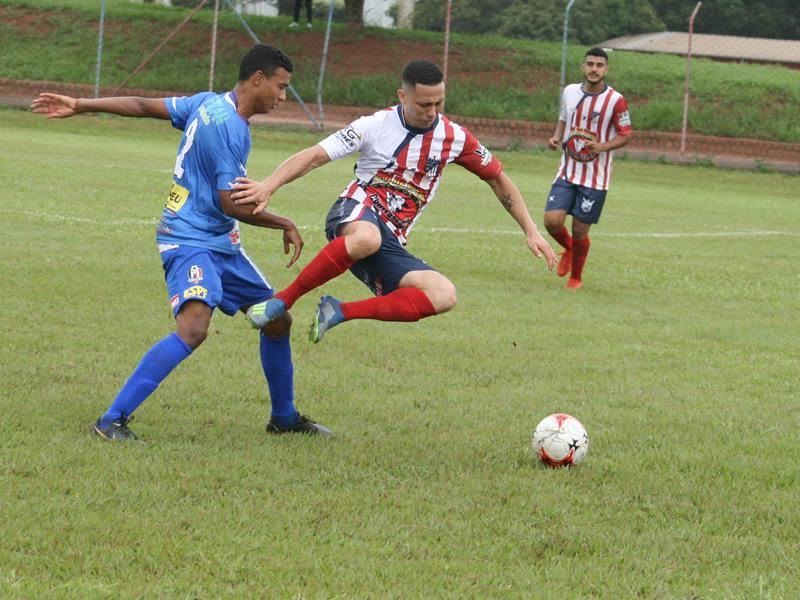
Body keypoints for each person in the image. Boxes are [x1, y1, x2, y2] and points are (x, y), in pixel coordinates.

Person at [31, 44, 332, 440]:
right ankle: (111, 420)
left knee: (276, 320)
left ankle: (285, 418)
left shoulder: (207, 102)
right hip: (189, 239)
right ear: (257, 78)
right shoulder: (226, 126)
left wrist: (81, 104)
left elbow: (141, 105)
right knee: (193, 328)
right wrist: (283, 222)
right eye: (280, 87)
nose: (282, 97)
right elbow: (232, 202)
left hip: (220, 240)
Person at [232, 59, 557, 343]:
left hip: (388, 241)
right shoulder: (374, 126)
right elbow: (315, 155)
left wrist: (530, 230)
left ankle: (338, 311)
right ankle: (281, 302)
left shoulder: (454, 138)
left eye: (438, 104)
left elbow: (497, 177)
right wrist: (269, 185)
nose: (432, 113)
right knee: (367, 237)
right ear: (403, 96)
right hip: (353, 214)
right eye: (424, 105)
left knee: (443, 295)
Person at [545, 47, 632, 290]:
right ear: (583, 66)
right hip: (567, 170)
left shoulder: (616, 101)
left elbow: (626, 135)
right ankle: (570, 248)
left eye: (599, 65)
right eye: (590, 64)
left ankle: (576, 277)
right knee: (552, 220)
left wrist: (602, 146)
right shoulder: (570, 92)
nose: (594, 69)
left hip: (595, 178)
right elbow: (564, 117)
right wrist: (556, 137)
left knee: (580, 230)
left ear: (606, 69)